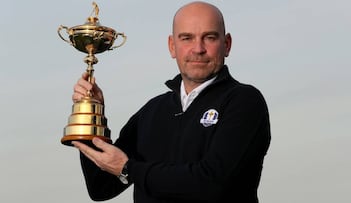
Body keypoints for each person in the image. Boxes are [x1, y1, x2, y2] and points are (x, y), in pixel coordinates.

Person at [72, 1, 271, 203]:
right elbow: (101, 187)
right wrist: (92, 117)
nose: (198, 49)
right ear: (172, 46)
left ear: (226, 44)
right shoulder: (152, 112)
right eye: (187, 38)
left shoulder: (244, 101)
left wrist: (128, 168)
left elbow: (211, 183)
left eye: (209, 37)